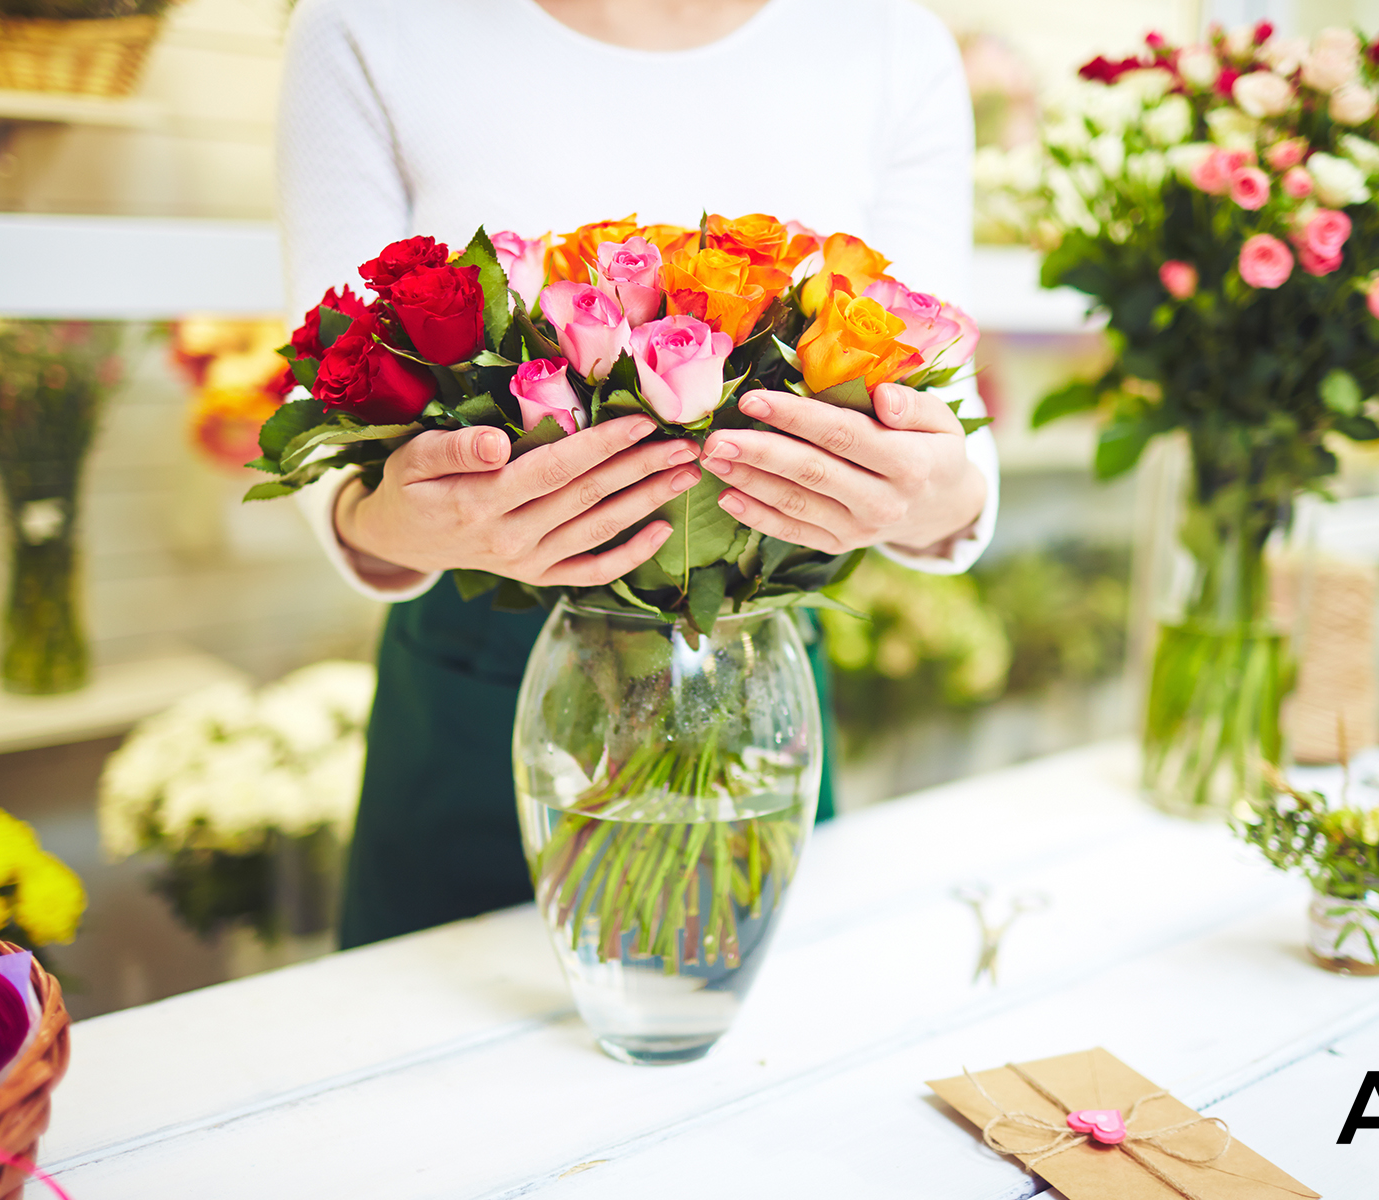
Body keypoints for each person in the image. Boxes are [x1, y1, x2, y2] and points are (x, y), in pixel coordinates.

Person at [277, 0, 1000, 949]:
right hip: (480, 677)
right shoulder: (368, 23)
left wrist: (933, 490)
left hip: (749, 662)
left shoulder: (890, 39)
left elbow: (950, 413)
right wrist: (382, 522)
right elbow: (329, 381)